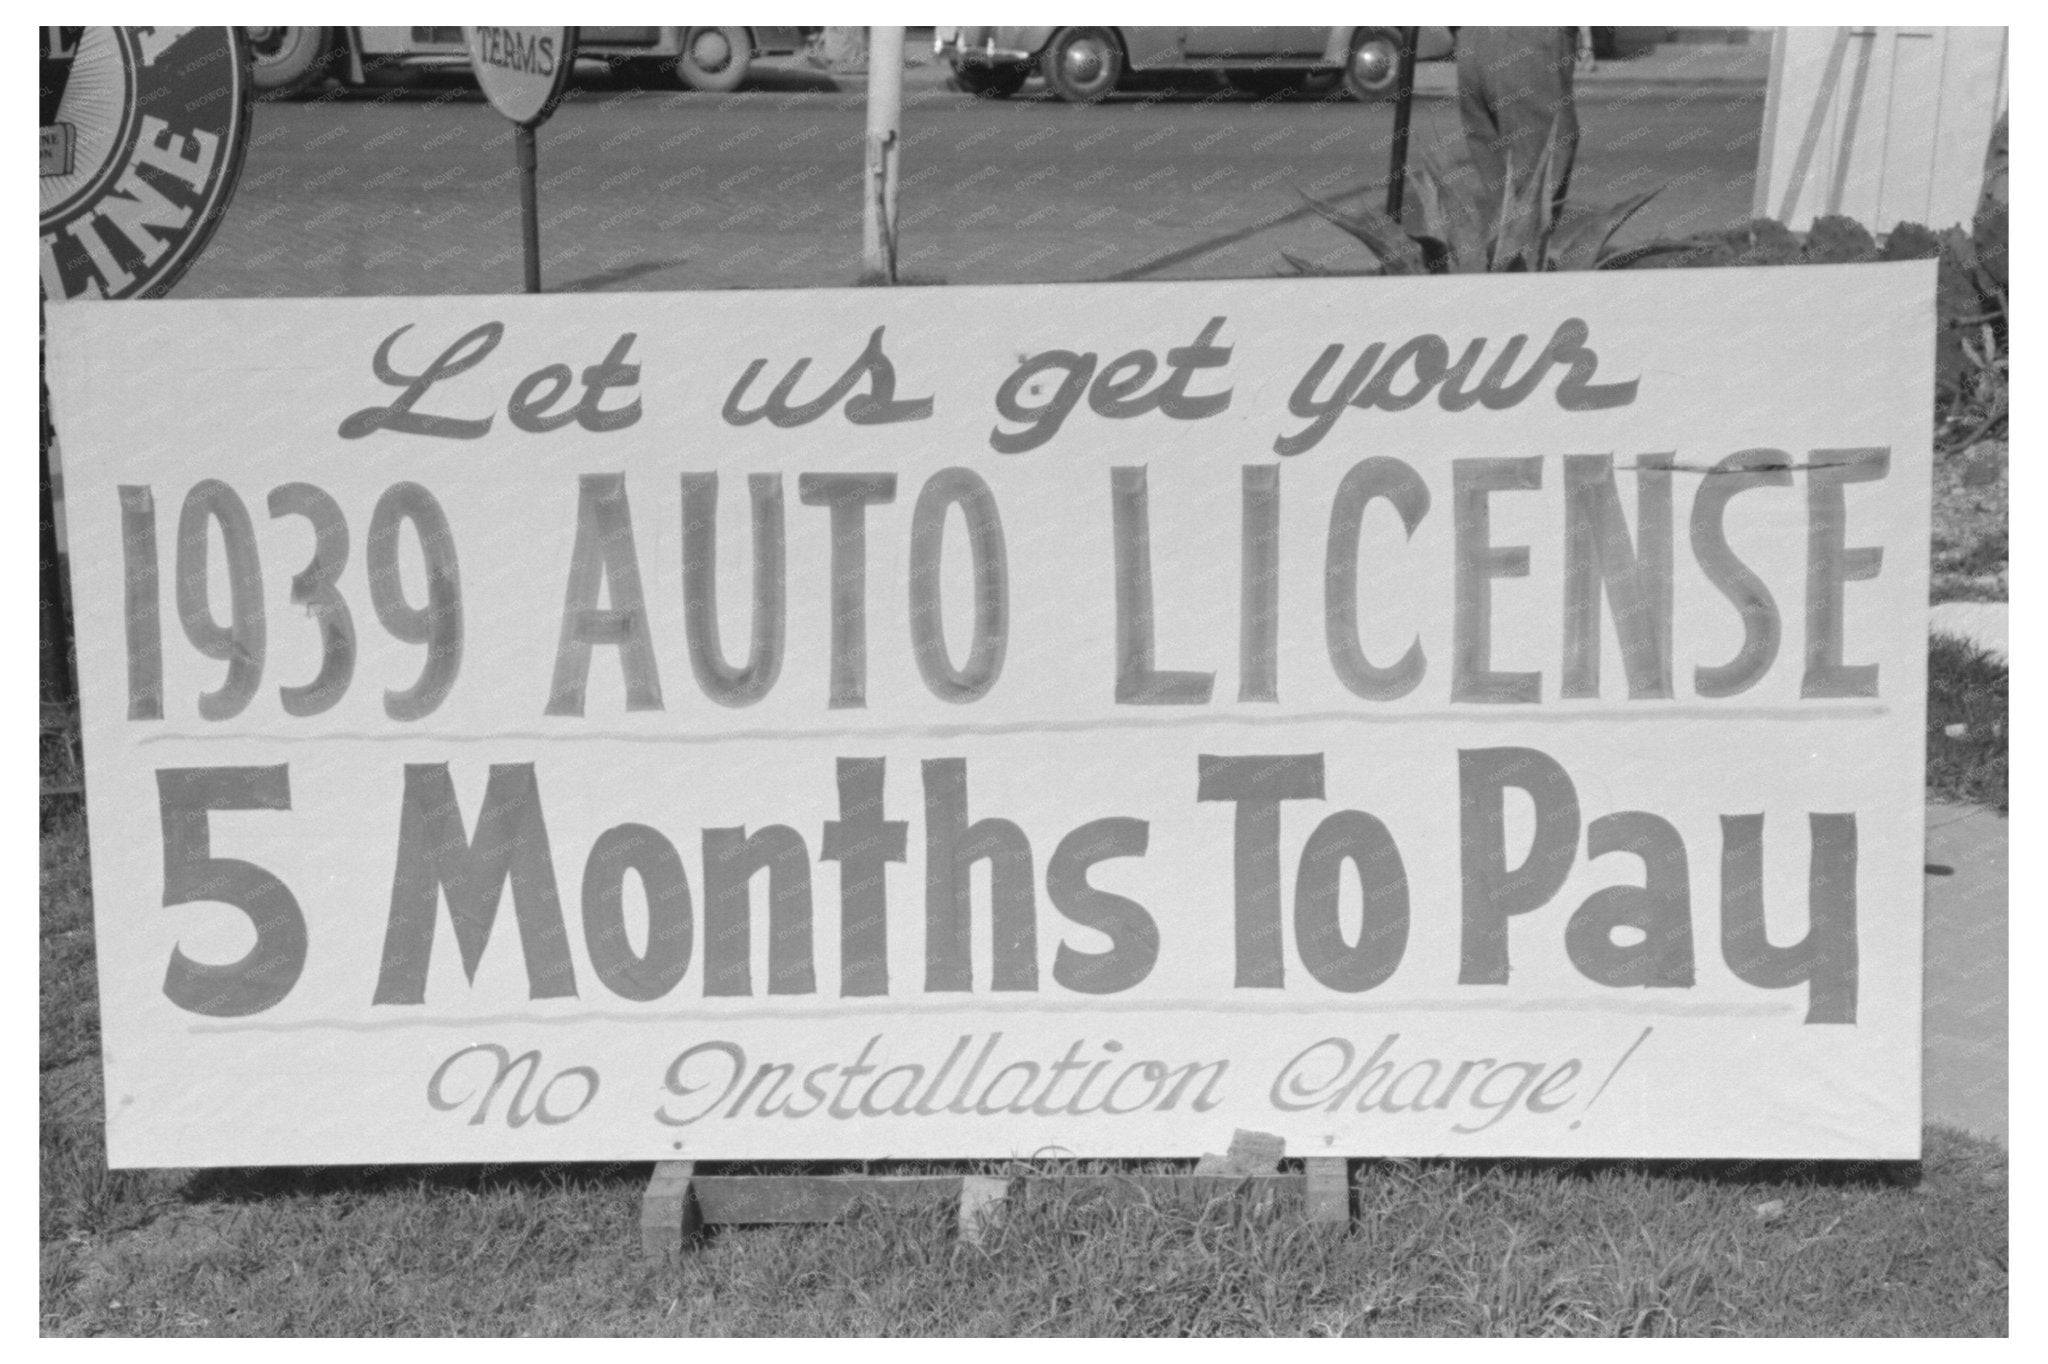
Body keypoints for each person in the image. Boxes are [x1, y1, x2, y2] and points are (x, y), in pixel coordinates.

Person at [1454, 26, 1580, 216]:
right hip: (1526, 38)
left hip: (1476, 36)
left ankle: (1509, 241)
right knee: (1535, 189)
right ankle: (1519, 242)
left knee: (1503, 198)